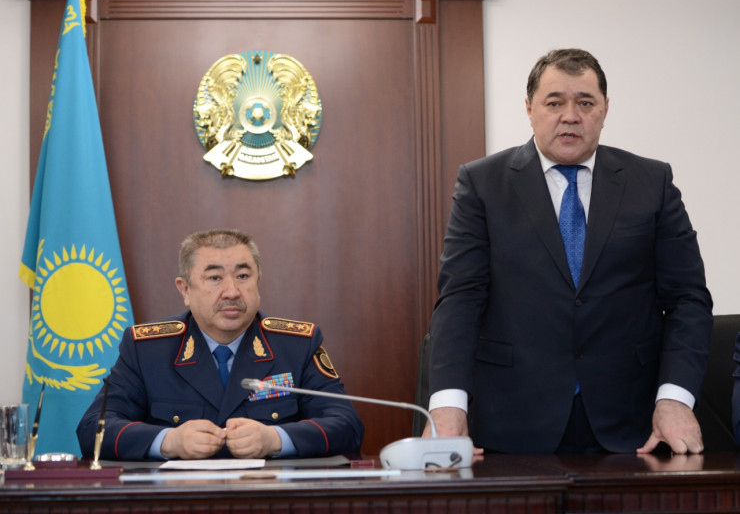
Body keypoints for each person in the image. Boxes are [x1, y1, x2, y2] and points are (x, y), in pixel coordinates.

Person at [424, 48, 712, 455]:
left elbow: (687, 299)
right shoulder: (482, 184)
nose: (571, 116)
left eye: (586, 103)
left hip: (635, 426)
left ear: (605, 109)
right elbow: (460, 299)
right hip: (511, 422)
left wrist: (675, 398)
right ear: (529, 109)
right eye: (554, 103)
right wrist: (448, 407)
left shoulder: (652, 182)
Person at [77, 229, 364, 460]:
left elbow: (347, 425)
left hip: (271, 499)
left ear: (258, 282)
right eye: (215, 278)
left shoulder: (297, 345)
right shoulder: (147, 349)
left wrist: (275, 439)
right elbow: (92, 430)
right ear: (185, 289)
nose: (232, 291)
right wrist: (169, 441)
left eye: (243, 276)